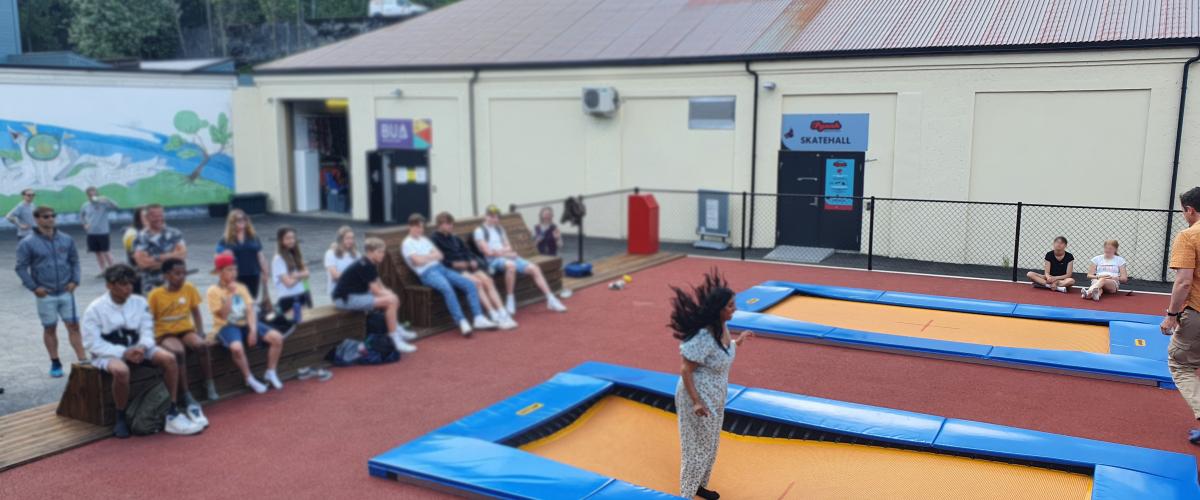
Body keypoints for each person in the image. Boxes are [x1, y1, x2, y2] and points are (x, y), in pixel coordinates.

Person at [82, 264, 202, 437]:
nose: (128, 288)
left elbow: (147, 330)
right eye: (123, 284)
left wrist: (142, 347)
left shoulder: (139, 302)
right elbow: (91, 343)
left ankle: (172, 411)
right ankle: (120, 417)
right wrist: (124, 353)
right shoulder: (95, 309)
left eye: (130, 283)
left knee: (169, 359)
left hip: (139, 348)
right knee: (121, 371)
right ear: (109, 285)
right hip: (107, 353)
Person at [671, 270, 752, 500]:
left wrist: (738, 342)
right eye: (730, 305)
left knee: (710, 444)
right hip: (696, 398)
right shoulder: (704, 336)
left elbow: (720, 352)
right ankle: (686, 494)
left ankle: (699, 486)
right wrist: (696, 402)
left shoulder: (723, 329)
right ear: (718, 310)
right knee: (695, 450)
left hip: (715, 395)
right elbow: (686, 369)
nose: (734, 308)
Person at [15, 206, 84, 378]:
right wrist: (34, 288)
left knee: (74, 326)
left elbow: (75, 261)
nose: (50, 219)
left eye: (53, 215)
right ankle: (55, 362)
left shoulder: (66, 239)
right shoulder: (27, 243)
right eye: (46, 216)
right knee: (50, 328)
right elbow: (21, 268)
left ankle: (83, 360)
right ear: (36, 219)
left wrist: (75, 281)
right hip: (46, 295)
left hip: (67, 292)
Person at [403, 214, 498, 337]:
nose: (420, 230)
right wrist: (431, 256)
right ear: (409, 227)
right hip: (428, 273)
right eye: (417, 227)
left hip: (441, 268)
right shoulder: (407, 243)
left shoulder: (424, 240)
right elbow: (417, 262)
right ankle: (461, 321)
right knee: (448, 289)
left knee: (470, 284)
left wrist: (426, 257)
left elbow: (440, 256)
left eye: (421, 227)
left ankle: (478, 318)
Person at [148, 258, 218, 420]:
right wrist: (151, 340)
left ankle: (209, 383)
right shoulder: (156, 295)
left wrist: (201, 332)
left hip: (185, 330)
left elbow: (196, 312)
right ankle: (185, 393)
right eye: (176, 274)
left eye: (183, 273)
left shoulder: (189, 288)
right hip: (164, 334)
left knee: (201, 346)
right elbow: (149, 319)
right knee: (178, 352)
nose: (181, 277)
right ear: (166, 275)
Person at [207, 253, 284, 394]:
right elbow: (222, 315)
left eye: (235, 269)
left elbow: (250, 310)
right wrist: (230, 295)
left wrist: (253, 330)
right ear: (219, 272)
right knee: (236, 348)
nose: (233, 273)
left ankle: (271, 371)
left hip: (245, 324)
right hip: (226, 326)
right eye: (229, 270)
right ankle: (249, 378)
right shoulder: (213, 291)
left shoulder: (241, 287)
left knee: (277, 338)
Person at [473, 205, 566, 315]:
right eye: (492, 216)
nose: (495, 219)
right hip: (493, 262)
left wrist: (503, 252)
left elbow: (509, 247)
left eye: (497, 217)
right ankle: (510, 299)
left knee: (534, 268)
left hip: (507, 257)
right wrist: (506, 252)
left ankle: (551, 299)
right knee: (511, 266)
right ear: (486, 216)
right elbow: (488, 252)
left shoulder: (500, 229)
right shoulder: (479, 231)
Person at [431, 212, 516, 330]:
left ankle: (502, 312)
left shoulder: (454, 237)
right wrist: (456, 264)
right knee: (477, 283)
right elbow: (440, 260)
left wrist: (472, 260)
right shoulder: (434, 239)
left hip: (468, 266)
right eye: (448, 224)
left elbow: (467, 251)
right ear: (440, 225)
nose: (451, 226)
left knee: (488, 280)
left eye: (451, 224)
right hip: (453, 269)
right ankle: (493, 314)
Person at [333, 237, 417, 353]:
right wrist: (390, 296)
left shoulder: (370, 263)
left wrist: (390, 294)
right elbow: (376, 291)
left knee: (392, 298)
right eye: (379, 252)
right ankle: (396, 339)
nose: (383, 255)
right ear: (370, 252)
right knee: (391, 300)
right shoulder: (365, 265)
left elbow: (379, 284)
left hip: (356, 294)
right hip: (344, 299)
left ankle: (397, 329)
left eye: (383, 251)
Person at [1162, 186, 1200, 444]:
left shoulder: (1189, 236)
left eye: (1184, 212)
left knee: (1180, 363)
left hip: (1197, 311)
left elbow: (1184, 282)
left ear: (1190, 210)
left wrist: (1171, 315)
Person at [215, 209, 270, 300]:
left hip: (253, 274)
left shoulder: (253, 237)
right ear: (232, 222)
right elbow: (217, 256)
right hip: (235, 276)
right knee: (238, 303)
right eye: (238, 220)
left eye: (244, 219)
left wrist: (265, 272)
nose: (242, 221)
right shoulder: (226, 239)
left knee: (251, 300)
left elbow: (260, 256)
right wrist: (224, 255)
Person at [132, 204, 187, 291]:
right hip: (151, 286)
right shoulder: (140, 237)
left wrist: (157, 258)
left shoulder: (175, 233)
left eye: (160, 215)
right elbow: (143, 263)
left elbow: (182, 256)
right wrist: (172, 258)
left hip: (176, 284)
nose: (158, 219)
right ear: (147, 217)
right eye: (154, 216)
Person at [272, 226, 312, 324]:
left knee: (305, 327)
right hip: (289, 300)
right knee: (295, 328)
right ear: (281, 240)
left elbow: (307, 274)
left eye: (293, 238)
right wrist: (300, 275)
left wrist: (296, 275)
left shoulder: (296, 255)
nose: (292, 241)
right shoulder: (278, 259)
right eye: (288, 238)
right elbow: (288, 283)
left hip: (302, 296)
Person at [79, 187, 119, 273]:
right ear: (88, 196)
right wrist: (85, 224)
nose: (92, 196)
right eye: (90, 194)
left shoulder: (103, 204)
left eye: (94, 194)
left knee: (106, 252)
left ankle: (114, 270)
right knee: (97, 253)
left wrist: (107, 199)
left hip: (103, 231)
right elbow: (82, 216)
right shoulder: (85, 205)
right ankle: (103, 270)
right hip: (91, 232)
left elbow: (116, 206)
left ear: (97, 194)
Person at [324, 225, 358, 297]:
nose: (350, 241)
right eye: (347, 238)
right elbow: (335, 276)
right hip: (338, 292)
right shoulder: (331, 253)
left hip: (355, 290)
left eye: (352, 238)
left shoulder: (356, 254)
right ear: (340, 239)